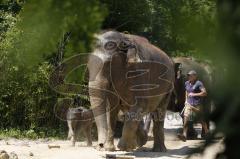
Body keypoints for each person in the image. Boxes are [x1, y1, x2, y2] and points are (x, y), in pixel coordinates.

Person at [178, 70, 209, 142]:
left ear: (195, 76)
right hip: (188, 104)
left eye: (191, 75)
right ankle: (184, 135)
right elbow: (187, 91)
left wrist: (194, 94)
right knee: (186, 117)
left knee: (201, 120)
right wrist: (186, 100)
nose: (189, 77)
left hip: (197, 105)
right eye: (188, 75)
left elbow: (204, 93)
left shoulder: (199, 83)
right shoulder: (187, 83)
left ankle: (207, 132)